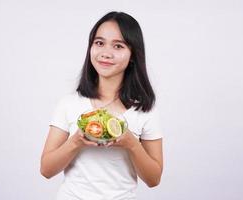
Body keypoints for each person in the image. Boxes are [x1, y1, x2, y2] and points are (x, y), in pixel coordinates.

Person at [40, 11, 163, 200]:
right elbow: (46, 169)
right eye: (99, 43)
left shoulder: (144, 110)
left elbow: (154, 179)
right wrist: (76, 141)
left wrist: (131, 144)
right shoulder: (69, 103)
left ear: (132, 55)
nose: (106, 53)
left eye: (118, 46)